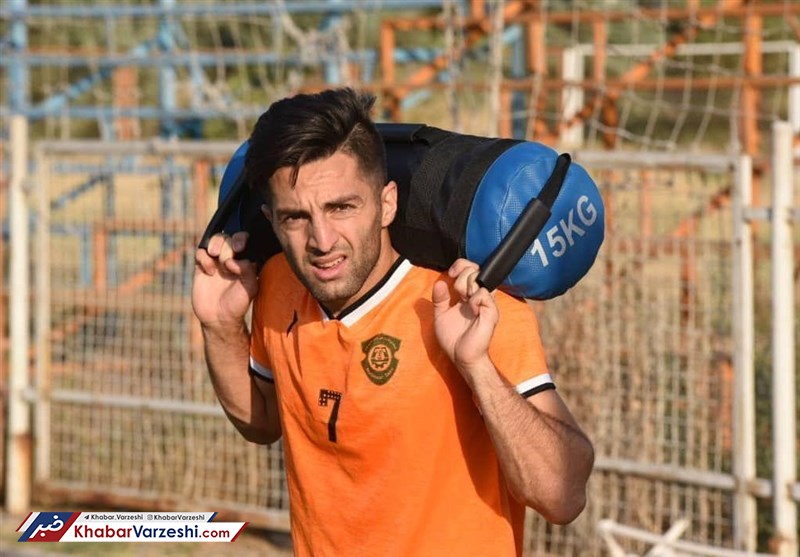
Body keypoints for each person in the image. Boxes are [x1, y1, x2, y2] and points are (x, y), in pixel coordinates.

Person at [192, 88, 594, 557]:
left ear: (387, 203)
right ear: (271, 220)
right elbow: (262, 423)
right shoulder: (280, 285)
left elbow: (562, 496)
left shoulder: (468, 305)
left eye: (342, 207)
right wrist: (220, 326)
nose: (322, 240)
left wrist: (477, 367)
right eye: (296, 217)